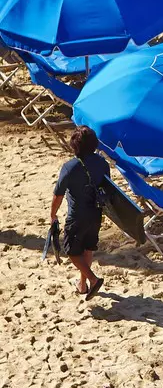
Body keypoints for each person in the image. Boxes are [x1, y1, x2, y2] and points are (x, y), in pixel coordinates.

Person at [49, 126, 119, 298]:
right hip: (96, 213)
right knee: (88, 248)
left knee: (72, 252)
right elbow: (107, 186)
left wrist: (53, 215)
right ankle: (82, 285)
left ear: (74, 145)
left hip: (77, 216)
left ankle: (93, 280)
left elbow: (58, 195)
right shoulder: (102, 163)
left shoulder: (69, 167)